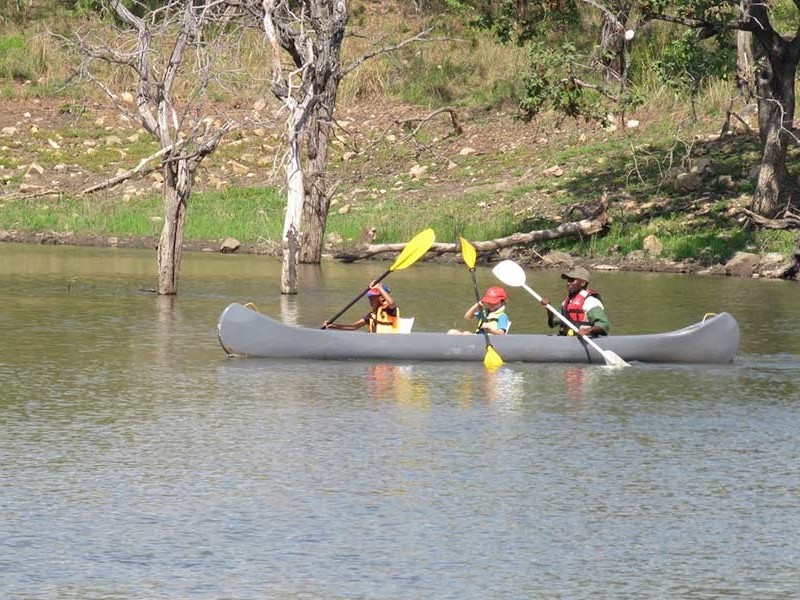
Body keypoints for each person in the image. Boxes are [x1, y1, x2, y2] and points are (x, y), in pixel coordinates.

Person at [540, 266, 609, 337]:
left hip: (585, 340)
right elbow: (553, 323)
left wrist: (587, 330)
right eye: (568, 280)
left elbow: (604, 326)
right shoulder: (567, 302)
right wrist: (549, 308)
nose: (568, 283)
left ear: (583, 282)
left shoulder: (590, 302)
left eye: (572, 280)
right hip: (567, 339)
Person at [322, 281, 400, 333]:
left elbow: (392, 303)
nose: (370, 301)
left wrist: (379, 288)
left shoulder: (390, 311)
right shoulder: (372, 315)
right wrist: (334, 326)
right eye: (369, 298)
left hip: (388, 341)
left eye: (373, 298)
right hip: (376, 342)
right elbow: (354, 327)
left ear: (382, 298)